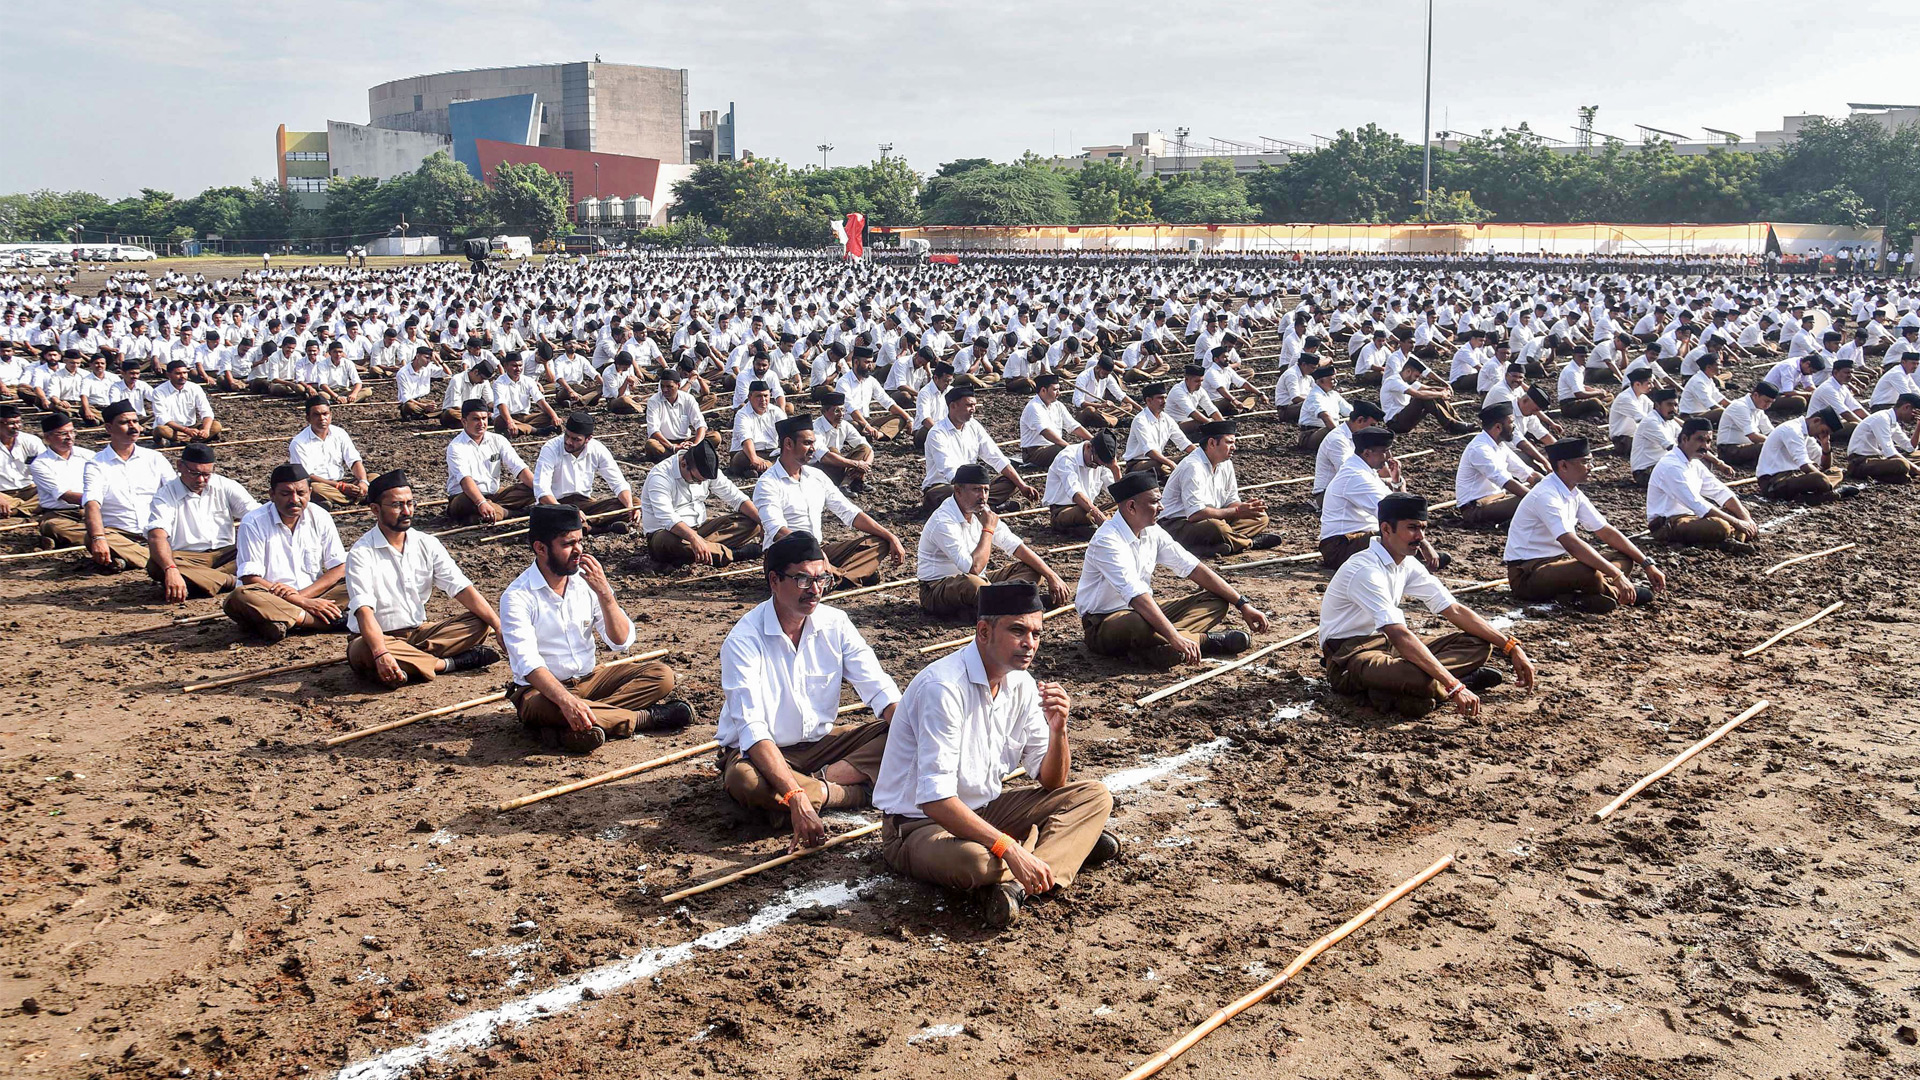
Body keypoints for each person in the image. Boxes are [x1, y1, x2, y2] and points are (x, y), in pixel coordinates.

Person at [875, 580, 1118, 929]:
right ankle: (1060, 849)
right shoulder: (943, 688)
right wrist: (1010, 847)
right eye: (1018, 630)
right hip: (918, 828)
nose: (1029, 643)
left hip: (984, 813)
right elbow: (935, 802)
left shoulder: (1019, 682)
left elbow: (1053, 780)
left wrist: (1058, 730)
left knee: (1094, 797)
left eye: (1036, 633)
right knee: (976, 862)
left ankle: (1017, 884)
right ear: (984, 631)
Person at [716, 531, 902, 849]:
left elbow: (881, 690)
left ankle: (821, 783)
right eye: (803, 580)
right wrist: (796, 796)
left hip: (820, 746)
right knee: (744, 781)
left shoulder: (836, 624)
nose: (815, 590)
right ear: (774, 581)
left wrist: (915, 734)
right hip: (760, 753)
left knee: (907, 728)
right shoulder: (744, 640)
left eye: (821, 579)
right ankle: (845, 792)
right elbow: (754, 732)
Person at [1319, 493, 1536, 718]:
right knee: (1415, 676)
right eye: (1412, 528)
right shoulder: (1365, 571)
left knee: (1479, 643)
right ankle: (1436, 684)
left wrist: (1511, 647)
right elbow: (1399, 634)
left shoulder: (1406, 563)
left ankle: (1416, 690)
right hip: (1350, 655)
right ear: (1386, 529)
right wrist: (1454, 686)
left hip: (1387, 648)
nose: (1420, 537)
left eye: (1423, 528)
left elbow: (1454, 609)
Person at [498, 504, 692, 752]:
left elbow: (621, 641)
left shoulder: (586, 581)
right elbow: (529, 665)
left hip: (590, 680)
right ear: (541, 548)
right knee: (540, 706)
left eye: (580, 541)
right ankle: (644, 719)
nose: (578, 550)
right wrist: (567, 701)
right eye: (568, 544)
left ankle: (578, 723)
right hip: (544, 691)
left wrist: (605, 594)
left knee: (661, 676)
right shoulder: (517, 596)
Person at [1075, 470, 1267, 667]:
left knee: (1217, 600)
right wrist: (1174, 636)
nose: (1161, 507)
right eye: (1154, 502)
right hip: (1105, 623)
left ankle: (1160, 647)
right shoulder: (1107, 540)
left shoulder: (1152, 531)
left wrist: (1242, 604)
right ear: (1132, 506)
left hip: (1143, 611)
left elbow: (1194, 567)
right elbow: (1136, 595)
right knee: (1138, 624)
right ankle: (1201, 640)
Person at [344, 469, 503, 687]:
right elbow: (363, 611)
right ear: (375, 510)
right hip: (378, 639)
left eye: (410, 503)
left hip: (420, 635)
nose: (406, 511)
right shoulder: (361, 553)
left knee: (480, 622)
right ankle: (445, 664)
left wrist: (498, 626)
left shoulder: (427, 543)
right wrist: (381, 651)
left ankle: (410, 663)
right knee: (363, 649)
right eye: (397, 505)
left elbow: (461, 588)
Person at [1504, 439, 1666, 613]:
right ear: (1563, 466)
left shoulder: (1573, 492)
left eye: (1590, 461)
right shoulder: (1546, 495)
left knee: (1623, 557)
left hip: (1557, 564)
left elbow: (1606, 532)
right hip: (1528, 574)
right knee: (1586, 570)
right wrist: (1616, 575)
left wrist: (1647, 563)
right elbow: (1570, 543)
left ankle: (1588, 593)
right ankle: (1614, 593)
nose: (1591, 466)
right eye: (1585, 462)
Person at [753, 416, 904, 585]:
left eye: (813, 443)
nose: (813, 449)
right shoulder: (767, 483)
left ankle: (831, 578)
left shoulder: (816, 476)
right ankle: (836, 577)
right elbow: (778, 531)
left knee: (879, 542)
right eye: (808, 443)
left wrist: (890, 536)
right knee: (802, 571)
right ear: (788, 444)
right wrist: (814, 550)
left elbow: (850, 512)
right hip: (787, 555)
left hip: (818, 550)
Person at [917, 463, 1071, 618]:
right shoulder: (943, 520)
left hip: (981, 582)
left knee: (1032, 570)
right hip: (938, 588)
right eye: (976, 490)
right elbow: (973, 569)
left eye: (986, 490)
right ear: (958, 490)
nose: (983, 496)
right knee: (973, 584)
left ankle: (989, 606)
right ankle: (1017, 603)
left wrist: (1052, 576)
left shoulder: (982, 511)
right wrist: (988, 529)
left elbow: (1015, 545)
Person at [223, 464, 349, 641]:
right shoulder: (253, 522)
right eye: (285, 494)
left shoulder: (320, 516)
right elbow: (250, 578)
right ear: (272, 495)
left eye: (301, 493)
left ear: (310, 492)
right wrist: (303, 603)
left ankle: (286, 620)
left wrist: (302, 597)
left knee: (361, 579)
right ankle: (320, 622)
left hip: (313, 595)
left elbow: (339, 567)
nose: (294, 499)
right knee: (240, 596)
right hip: (269, 597)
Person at [144, 442, 257, 601]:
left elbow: (256, 515)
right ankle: (232, 580)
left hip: (225, 553)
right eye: (194, 473)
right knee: (156, 565)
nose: (201, 479)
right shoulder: (165, 495)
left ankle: (206, 581)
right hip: (188, 558)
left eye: (207, 474)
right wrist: (171, 569)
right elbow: (157, 536)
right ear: (180, 466)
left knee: (259, 549)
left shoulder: (224, 485)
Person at [1158, 419, 1280, 556]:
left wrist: (1248, 508)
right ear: (1211, 443)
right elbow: (1195, 514)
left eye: (1234, 443)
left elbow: (1231, 500)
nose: (1234, 447)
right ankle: (1250, 543)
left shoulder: (1225, 463)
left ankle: (1220, 545)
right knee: (1216, 527)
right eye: (1229, 442)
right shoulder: (1192, 466)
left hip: (1212, 519)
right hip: (1177, 524)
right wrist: (1238, 511)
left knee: (1261, 517)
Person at [76, 400, 174, 571]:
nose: (133, 427)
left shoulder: (154, 458)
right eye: (124, 422)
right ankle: (160, 560)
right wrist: (99, 538)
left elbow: (175, 492)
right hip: (121, 535)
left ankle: (135, 559)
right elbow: (92, 503)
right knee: (93, 537)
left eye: (135, 421)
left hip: (156, 531)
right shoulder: (96, 464)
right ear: (108, 428)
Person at [640, 440, 763, 566]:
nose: (699, 483)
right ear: (683, 464)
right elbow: (667, 518)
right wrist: (693, 538)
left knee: (752, 522)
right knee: (668, 541)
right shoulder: (660, 477)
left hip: (701, 527)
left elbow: (736, 497)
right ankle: (731, 554)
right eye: (696, 479)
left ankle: (701, 551)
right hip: (668, 533)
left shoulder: (707, 471)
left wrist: (764, 523)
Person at [1646, 418, 1759, 552]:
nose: (1705, 446)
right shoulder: (1671, 466)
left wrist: (1745, 519)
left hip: (1692, 517)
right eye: (1700, 440)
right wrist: (1738, 523)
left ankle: (1730, 540)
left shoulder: (1694, 462)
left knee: (1738, 511)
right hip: (1668, 523)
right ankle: (1727, 540)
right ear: (1684, 439)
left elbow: (1721, 491)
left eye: (1708, 441)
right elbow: (1697, 504)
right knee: (1721, 526)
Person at [922, 385, 1038, 511]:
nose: (973, 409)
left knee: (1011, 481)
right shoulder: (937, 433)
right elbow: (949, 471)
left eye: (974, 405)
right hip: (944, 486)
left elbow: (996, 457)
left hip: (972, 486)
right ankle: (989, 506)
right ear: (953, 406)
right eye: (969, 405)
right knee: (955, 492)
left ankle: (980, 505)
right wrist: (974, 488)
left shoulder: (974, 426)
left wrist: (1022, 485)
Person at [534, 412, 636, 531]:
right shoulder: (551, 448)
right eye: (566, 435)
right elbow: (541, 490)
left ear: (588, 439)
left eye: (575, 439)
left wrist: (629, 507)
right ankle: (597, 528)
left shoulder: (597, 449)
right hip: (556, 505)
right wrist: (566, 510)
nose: (568, 442)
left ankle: (585, 525)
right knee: (553, 518)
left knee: (632, 501)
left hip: (585, 503)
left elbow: (618, 483)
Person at [444, 398, 536, 524]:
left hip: (494, 494)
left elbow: (518, 467)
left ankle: (490, 512)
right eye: (476, 419)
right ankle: (510, 512)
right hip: (467, 498)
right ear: (464, 421)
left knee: (532, 487)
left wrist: (541, 490)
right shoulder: (456, 447)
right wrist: (481, 502)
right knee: (467, 500)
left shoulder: (498, 440)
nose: (481, 423)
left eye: (484, 418)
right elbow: (465, 480)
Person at [1453, 403, 1540, 526]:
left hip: (1496, 499)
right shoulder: (1480, 449)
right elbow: (1506, 482)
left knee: (1540, 493)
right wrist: (1540, 499)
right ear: (1498, 427)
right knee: (1532, 500)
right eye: (1511, 422)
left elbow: (1527, 473)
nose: (1514, 427)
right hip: (1475, 509)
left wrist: (1551, 485)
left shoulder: (1499, 446)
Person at [288, 397, 368, 507]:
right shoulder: (299, 443)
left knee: (374, 478)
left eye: (325, 414)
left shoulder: (340, 433)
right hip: (321, 485)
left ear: (330, 415)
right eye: (316, 415)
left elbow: (354, 461)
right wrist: (340, 487)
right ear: (308, 418)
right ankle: (360, 498)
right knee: (315, 489)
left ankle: (344, 498)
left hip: (342, 482)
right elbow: (308, 476)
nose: (322, 418)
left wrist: (363, 481)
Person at [1756, 407, 1847, 503]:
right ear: (1816, 421)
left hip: (1793, 476)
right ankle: (1826, 494)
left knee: (1835, 471)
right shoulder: (1792, 430)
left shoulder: (1806, 434)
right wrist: (1823, 478)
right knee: (1819, 479)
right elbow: (1804, 465)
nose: (1823, 434)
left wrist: (1826, 445)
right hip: (1773, 482)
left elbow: (1824, 465)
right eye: (1824, 431)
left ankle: (1824, 491)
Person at [1044, 430, 1122, 536]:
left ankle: (1108, 522)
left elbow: (1120, 495)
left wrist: (1115, 469)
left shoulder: (1099, 463)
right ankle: (1114, 522)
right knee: (1087, 515)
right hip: (1064, 510)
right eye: (1094, 462)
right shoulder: (1067, 458)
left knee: (1125, 506)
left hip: (1088, 507)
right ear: (1089, 447)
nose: (1095, 466)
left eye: (1100, 465)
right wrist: (1097, 513)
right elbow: (1075, 492)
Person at [1313, 401, 1386, 508]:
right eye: (1372, 425)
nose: (1374, 429)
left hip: (1349, 488)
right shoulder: (1337, 440)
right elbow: (1350, 474)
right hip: (1329, 495)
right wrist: (1384, 481)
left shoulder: (1358, 437)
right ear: (1360, 420)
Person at [1018, 374, 1093, 469]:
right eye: (1055, 390)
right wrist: (1068, 447)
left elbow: (1073, 426)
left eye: (1059, 389)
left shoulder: (1058, 405)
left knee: (1085, 447)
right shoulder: (1033, 407)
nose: (1058, 393)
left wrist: (1093, 439)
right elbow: (1045, 432)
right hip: (1034, 453)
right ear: (1043, 390)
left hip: (1052, 447)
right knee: (1063, 449)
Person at [641, 369, 717, 462]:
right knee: (651, 444)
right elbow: (653, 430)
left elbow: (700, 424)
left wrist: (696, 444)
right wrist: (672, 447)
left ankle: (688, 452)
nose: (665, 390)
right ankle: (686, 454)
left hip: (686, 441)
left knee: (715, 437)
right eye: (662, 386)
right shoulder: (654, 401)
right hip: (666, 444)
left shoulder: (688, 399)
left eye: (669, 387)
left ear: (678, 385)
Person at [1844, 392, 1920, 482]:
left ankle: (1896, 476)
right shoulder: (1882, 419)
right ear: (1906, 407)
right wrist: (1917, 469)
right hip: (1860, 462)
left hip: (1876, 459)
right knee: (1902, 464)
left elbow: (1910, 447)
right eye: (1915, 412)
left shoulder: (1893, 421)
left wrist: (1919, 425)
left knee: (1915, 457)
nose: (1915, 416)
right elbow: (1890, 453)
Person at [1121, 381, 1193, 476]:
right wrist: (1170, 463)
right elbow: (1149, 451)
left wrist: (1200, 454)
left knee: (1188, 459)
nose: (1164, 401)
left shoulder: (1166, 419)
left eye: (1165, 398)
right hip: (1138, 464)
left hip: (1158, 460)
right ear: (1149, 400)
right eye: (1160, 398)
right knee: (1159, 466)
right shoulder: (1140, 420)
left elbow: (1183, 442)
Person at [809, 391, 874, 492]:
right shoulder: (815, 428)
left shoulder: (845, 425)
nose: (841, 414)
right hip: (819, 469)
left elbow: (868, 448)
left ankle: (847, 483)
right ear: (824, 411)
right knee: (832, 451)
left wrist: (865, 466)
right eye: (836, 411)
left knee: (864, 449)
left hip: (839, 466)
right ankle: (851, 482)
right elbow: (825, 457)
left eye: (843, 410)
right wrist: (857, 464)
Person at [149, 360, 221, 445]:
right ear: (168, 375)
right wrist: (185, 430)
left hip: (191, 427)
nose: (182, 376)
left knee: (216, 425)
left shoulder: (195, 388)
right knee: (160, 430)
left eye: (185, 373)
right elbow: (162, 417)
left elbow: (206, 411)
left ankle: (187, 440)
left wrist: (205, 430)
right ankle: (193, 440)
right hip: (172, 428)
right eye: (178, 373)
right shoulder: (159, 391)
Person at [492, 351, 561, 437]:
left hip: (525, 417)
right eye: (514, 366)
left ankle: (523, 429)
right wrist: (510, 422)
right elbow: (501, 405)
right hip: (507, 417)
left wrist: (554, 416)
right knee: (500, 420)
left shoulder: (528, 380)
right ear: (505, 366)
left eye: (520, 365)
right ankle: (536, 431)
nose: (518, 369)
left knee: (549, 415)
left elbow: (540, 400)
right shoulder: (499, 383)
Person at [729, 379, 786, 477]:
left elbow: (787, 433)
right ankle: (769, 467)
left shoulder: (776, 411)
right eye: (759, 396)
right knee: (741, 458)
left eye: (765, 396)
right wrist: (755, 459)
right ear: (750, 397)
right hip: (748, 453)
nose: (763, 400)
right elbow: (746, 440)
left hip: (772, 452)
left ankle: (765, 468)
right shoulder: (742, 414)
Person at [1714, 382, 1778, 468]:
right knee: (1767, 446)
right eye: (1766, 401)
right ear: (1756, 395)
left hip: (1744, 448)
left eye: (1771, 402)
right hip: (1728, 451)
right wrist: (1777, 442)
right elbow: (1753, 436)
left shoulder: (1758, 409)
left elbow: (1770, 431)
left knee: (1772, 445)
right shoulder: (1740, 406)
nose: (1768, 405)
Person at [1630, 387, 1683, 485]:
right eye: (1669, 405)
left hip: (1660, 466)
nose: (1673, 409)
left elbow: (1686, 439)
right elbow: (1671, 447)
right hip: (1645, 472)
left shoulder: (1669, 420)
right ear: (1658, 405)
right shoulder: (1652, 421)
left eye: (1676, 405)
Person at [0, 403, 44, 517]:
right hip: (3, 493)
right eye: (11, 423)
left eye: (19, 422)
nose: (17, 426)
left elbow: (47, 467)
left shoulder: (31, 441)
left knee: (53, 493)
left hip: (30, 489)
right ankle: (28, 508)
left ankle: (16, 511)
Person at [1608, 368, 1656, 458]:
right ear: (1637, 384)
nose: (1652, 386)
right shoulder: (1625, 398)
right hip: (1623, 440)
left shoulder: (1643, 398)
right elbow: (1644, 419)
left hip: (1636, 436)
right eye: (1649, 383)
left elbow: (1658, 413)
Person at [395, 346, 447, 419]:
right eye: (426, 358)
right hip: (412, 402)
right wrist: (424, 406)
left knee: (446, 405)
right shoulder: (403, 373)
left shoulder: (428, 368)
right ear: (417, 356)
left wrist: (440, 361)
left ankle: (424, 414)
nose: (428, 361)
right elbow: (406, 398)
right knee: (409, 406)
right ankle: (428, 414)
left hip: (423, 400)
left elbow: (447, 373)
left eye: (430, 359)